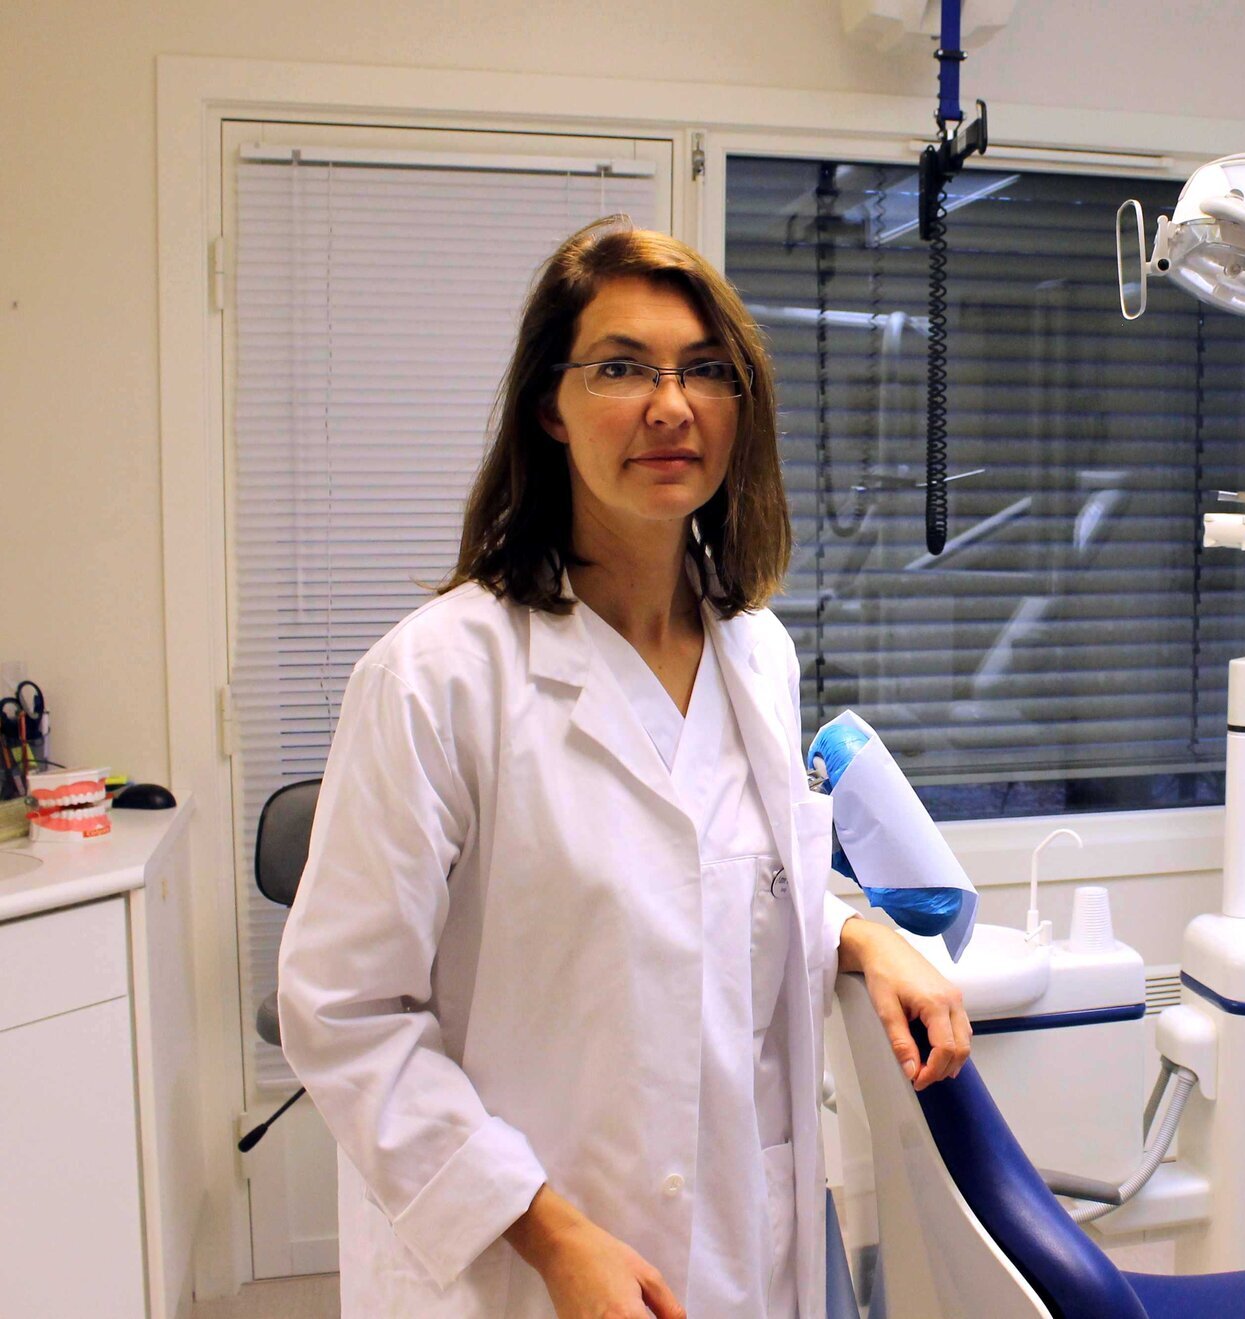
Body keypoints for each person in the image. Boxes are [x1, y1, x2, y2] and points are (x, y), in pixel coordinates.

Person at [278, 217, 971, 1319]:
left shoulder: (757, 653)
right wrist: (549, 1235)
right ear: (548, 407)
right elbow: (346, 1012)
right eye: (620, 367)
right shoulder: (436, 677)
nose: (670, 404)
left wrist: (852, 931)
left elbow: (719, 879)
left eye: (705, 370)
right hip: (524, 1269)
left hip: (736, 1250)